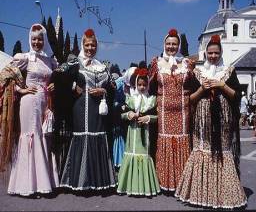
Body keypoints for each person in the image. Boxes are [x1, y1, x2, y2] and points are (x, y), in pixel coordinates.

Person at [175, 34, 247, 209]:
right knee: (202, 150)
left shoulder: (229, 70)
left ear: (221, 53)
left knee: (223, 151)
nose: (213, 56)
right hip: (202, 122)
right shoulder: (198, 73)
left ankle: (225, 196)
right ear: (205, 53)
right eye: (210, 53)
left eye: (216, 53)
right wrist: (202, 89)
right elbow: (190, 99)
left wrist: (222, 86)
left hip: (223, 120)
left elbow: (237, 96)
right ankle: (202, 195)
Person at [3, 24, 59, 196]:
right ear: (30, 39)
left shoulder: (50, 61)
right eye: (34, 39)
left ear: (44, 40)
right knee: (30, 136)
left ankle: (42, 183)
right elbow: (5, 75)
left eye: (40, 39)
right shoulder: (24, 57)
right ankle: (27, 185)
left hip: (45, 104)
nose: (37, 42)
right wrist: (21, 90)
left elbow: (54, 78)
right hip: (29, 103)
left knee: (43, 138)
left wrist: (53, 84)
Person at [59, 29, 116, 191]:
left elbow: (112, 88)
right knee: (83, 137)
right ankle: (81, 181)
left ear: (97, 46)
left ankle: (98, 181)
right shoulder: (74, 62)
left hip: (99, 112)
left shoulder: (103, 66)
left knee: (98, 137)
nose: (90, 48)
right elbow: (58, 75)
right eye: (87, 45)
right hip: (81, 109)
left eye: (93, 45)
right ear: (83, 45)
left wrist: (103, 91)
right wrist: (72, 86)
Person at [149, 28, 195, 192]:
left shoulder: (187, 64)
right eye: (168, 44)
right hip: (163, 111)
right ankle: (165, 181)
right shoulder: (157, 63)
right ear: (164, 45)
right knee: (165, 141)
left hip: (183, 112)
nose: (171, 47)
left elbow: (194, 85)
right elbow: (150, 87)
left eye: (174, 44)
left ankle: (181, 183)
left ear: (179, 46)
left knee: (182, 140)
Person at [117, 67, 160, 196]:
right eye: (139, 84)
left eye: (144, 84)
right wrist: (129, 114)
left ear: (147, 85)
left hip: (145, 135)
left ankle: (144, 187)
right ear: (135, 84)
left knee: (144, 154)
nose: (141, 87)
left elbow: (157, 117)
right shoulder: (130, 99)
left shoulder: (152, 100)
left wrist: (148, 118)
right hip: (132, 133)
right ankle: (129, 185)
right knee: (131, 153)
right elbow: (121, 115)